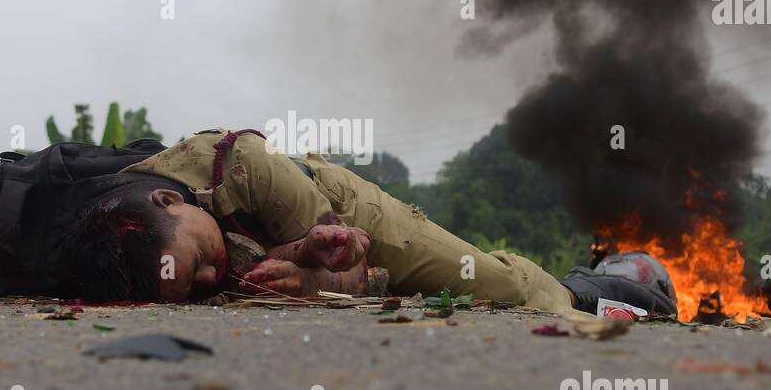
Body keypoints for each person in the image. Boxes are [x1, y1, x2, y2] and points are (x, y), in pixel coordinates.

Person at [62, 129, 676, 314]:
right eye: (187, 289)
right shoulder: (100, 239)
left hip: (344, 214)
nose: (204, 282)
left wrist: (314, 279)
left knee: (499, 286)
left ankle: (611, 287)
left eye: (195, 265)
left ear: (176, 204)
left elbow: (356, 263)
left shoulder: (244, 168)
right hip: (279, 239)